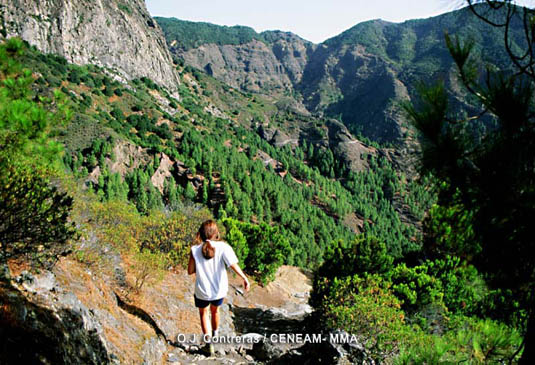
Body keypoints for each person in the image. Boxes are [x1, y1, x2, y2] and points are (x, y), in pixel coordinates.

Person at [188, 219, 250, 356]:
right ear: (216, 233)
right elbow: (233, 265)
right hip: (219, 291)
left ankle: (208, 344)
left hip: (202, 291)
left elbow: (190, 271)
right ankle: (215, 335)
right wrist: (244, 278)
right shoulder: (224, 247)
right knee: (215, 311)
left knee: (204, 314)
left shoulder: (194, 250)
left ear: (201, 234)